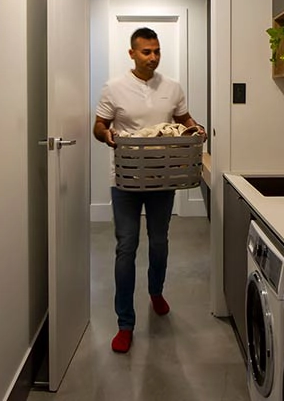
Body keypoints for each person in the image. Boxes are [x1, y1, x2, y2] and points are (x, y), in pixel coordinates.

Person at [93, 27, 206, 354]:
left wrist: (195, 129)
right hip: (125, 180)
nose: (153, 57)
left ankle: (156, 291)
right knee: (126, 246)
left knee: (159, 241)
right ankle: (124, 323)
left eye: (157, 51)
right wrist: (108, 135)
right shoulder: (113, 87)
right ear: (132, 53)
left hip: (163, 178)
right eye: (146, 52)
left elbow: (184, 119)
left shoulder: (172, 87)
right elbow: (98, 126)